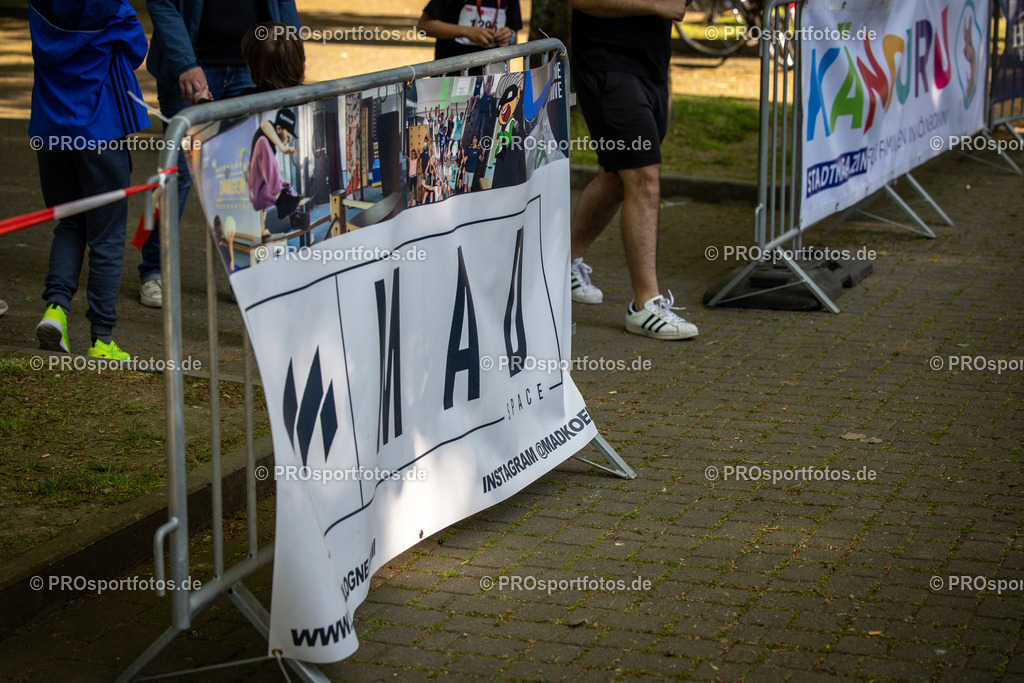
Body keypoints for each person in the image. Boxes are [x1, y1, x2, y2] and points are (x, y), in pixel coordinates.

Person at [142, 0, 299, 307]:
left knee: (244, 177)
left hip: (253, 65)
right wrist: (185, 63)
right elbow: (161, 3)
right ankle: (153, 270)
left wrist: (290, 57)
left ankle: (241, 273)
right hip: (189, 68)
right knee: (180, 175)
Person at [568, 0, 698, 340]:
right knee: (644, 177)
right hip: (607, 64)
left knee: (615, 179)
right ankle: (644, 305)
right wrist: (657, 5)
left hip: (652, 68)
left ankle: (562, 263)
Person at [30, 0, 151, 360]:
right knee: (108, 236)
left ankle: (56, 309)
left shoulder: (39, 5)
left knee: (68, 224)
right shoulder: (115, 8)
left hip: (51, 132)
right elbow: (136, 51)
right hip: (101, 132)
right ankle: (101, 338)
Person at [417, 0, 522, 70]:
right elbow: (424, 26)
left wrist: (509, 36)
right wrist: (467, 32)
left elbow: (514, 34)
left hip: (493, 78)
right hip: (452, 74)